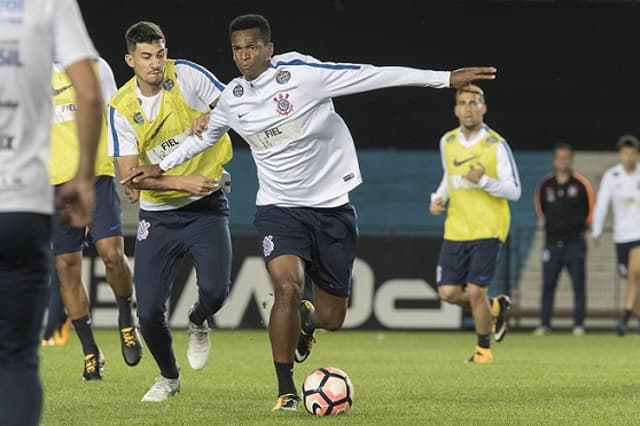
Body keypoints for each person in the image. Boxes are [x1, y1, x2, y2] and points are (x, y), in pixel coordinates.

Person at [122, 14, 497, 411]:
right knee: (286, 285)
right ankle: (285, 390)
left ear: (270, 48)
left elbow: (371, 75)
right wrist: (161, 167)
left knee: (333, 317)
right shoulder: (234, 97)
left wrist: (443, 78)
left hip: (332, 206)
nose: (244, 57)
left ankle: (309, 321)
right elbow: (203, 138)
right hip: (278, 208)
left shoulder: (303, 74)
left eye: (252, 47)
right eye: (237, 49)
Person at [107, 21, 233, 402]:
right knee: (147, 314)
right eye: (146, 56)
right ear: (130, 60)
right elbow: (131, 179)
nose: (156, 63)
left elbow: (237, 102)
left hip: (207, 208)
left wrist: (215, 114)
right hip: (159, 216)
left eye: (160, 53)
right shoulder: (121, 109)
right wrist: (182, 182)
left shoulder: (189, 75)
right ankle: (168, 377)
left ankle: (197, 320)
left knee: (214, 292)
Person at [0, 0, 102, 424]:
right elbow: (90, 90)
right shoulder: (50, 4)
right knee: (16, 359)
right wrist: (82, 179)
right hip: (23, 204)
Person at [49, 58, 143, 377]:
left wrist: (127, 173)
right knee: (67, 266)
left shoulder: (95, 65)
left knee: (112, 255)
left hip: (95, 175)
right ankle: (90, 350)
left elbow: (116, 119)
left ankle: (126, 318)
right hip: (54, 182)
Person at [429, 85, 519, 363]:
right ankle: (494, 307)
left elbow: (514, 191)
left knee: (476, 290)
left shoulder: (496, 145)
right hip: (457, 228)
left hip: (488, 228)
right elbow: (449, 176)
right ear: (456, 110)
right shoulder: (448, 142)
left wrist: (484, 181)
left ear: (484, 108)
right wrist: (438, 197)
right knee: (448, 292)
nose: (468, 108)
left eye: (474, 102)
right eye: (463, 103)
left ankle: (483, 351)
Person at [532, 143, 594, 336]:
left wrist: (584, 228)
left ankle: (578, 324)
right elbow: (540, 209)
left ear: (571, 159)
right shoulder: (546, 185)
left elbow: (591, 208)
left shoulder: (581, 184)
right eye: (559, 157)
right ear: (554, 160)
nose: (563, 161)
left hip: (575, 243)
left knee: (578, 285)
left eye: (566, 157)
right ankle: (545, 324)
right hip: (552, 243)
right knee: (548, 284)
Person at [592, 135, 640, 336]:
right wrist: (596, 230)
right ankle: (633, 312)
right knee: (633, 282)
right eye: (625, 153)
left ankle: (624, 318)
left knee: (633, 274)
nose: (628, 157)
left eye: (632, 153)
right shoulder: (612, 176)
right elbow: (602, 204)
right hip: (621, 236)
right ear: (620, 155)